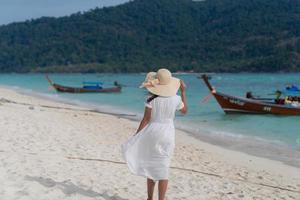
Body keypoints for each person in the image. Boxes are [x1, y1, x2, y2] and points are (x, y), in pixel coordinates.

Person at [122, 68, 187, 200]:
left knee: (150, 165)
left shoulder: (150, 99)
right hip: (167, 133)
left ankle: (150, 198)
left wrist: (136, 137)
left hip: (152, 131)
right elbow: (184, 111)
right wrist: (183, 92)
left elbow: (146, 119)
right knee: (164, 167)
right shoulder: (176, 99)